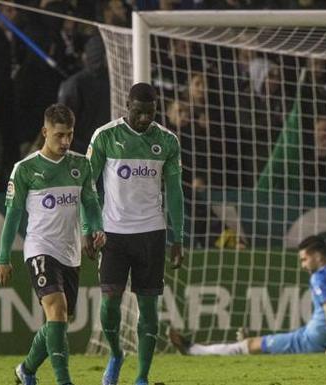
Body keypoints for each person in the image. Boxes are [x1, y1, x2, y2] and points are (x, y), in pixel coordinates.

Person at [0, 104, 105, 385]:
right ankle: (64, 381)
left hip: (70, 252)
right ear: (45, 132)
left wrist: (95, 228)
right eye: (59, 135)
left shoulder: (81, 165)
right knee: (56, 309)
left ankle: (26, 370)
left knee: (59, 321)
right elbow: (13, 216)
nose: (65, 141)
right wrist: (3, 257)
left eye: (69, 135)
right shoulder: (25, 169)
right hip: (40, 249)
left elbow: (90, 204)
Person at [88, 82, 184, 385]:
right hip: (113, 233)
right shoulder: (106, 136)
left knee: (149, 308)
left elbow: (176, 192)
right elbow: (86, 187)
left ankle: (142, 377)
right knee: (109, 303)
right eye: (139, 112)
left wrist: (177, 236)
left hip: (151, 234)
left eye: (150, 112)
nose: (144, 118)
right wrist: (89, 227)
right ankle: (116, 353)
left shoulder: (167, 141)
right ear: (127, 106)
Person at [168, 235, 326, 356]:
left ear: (316, 255)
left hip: (314, 340)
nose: (303, 265)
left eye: (304, 259)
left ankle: (193, 350)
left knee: (252, 345)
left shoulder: (319, 277)